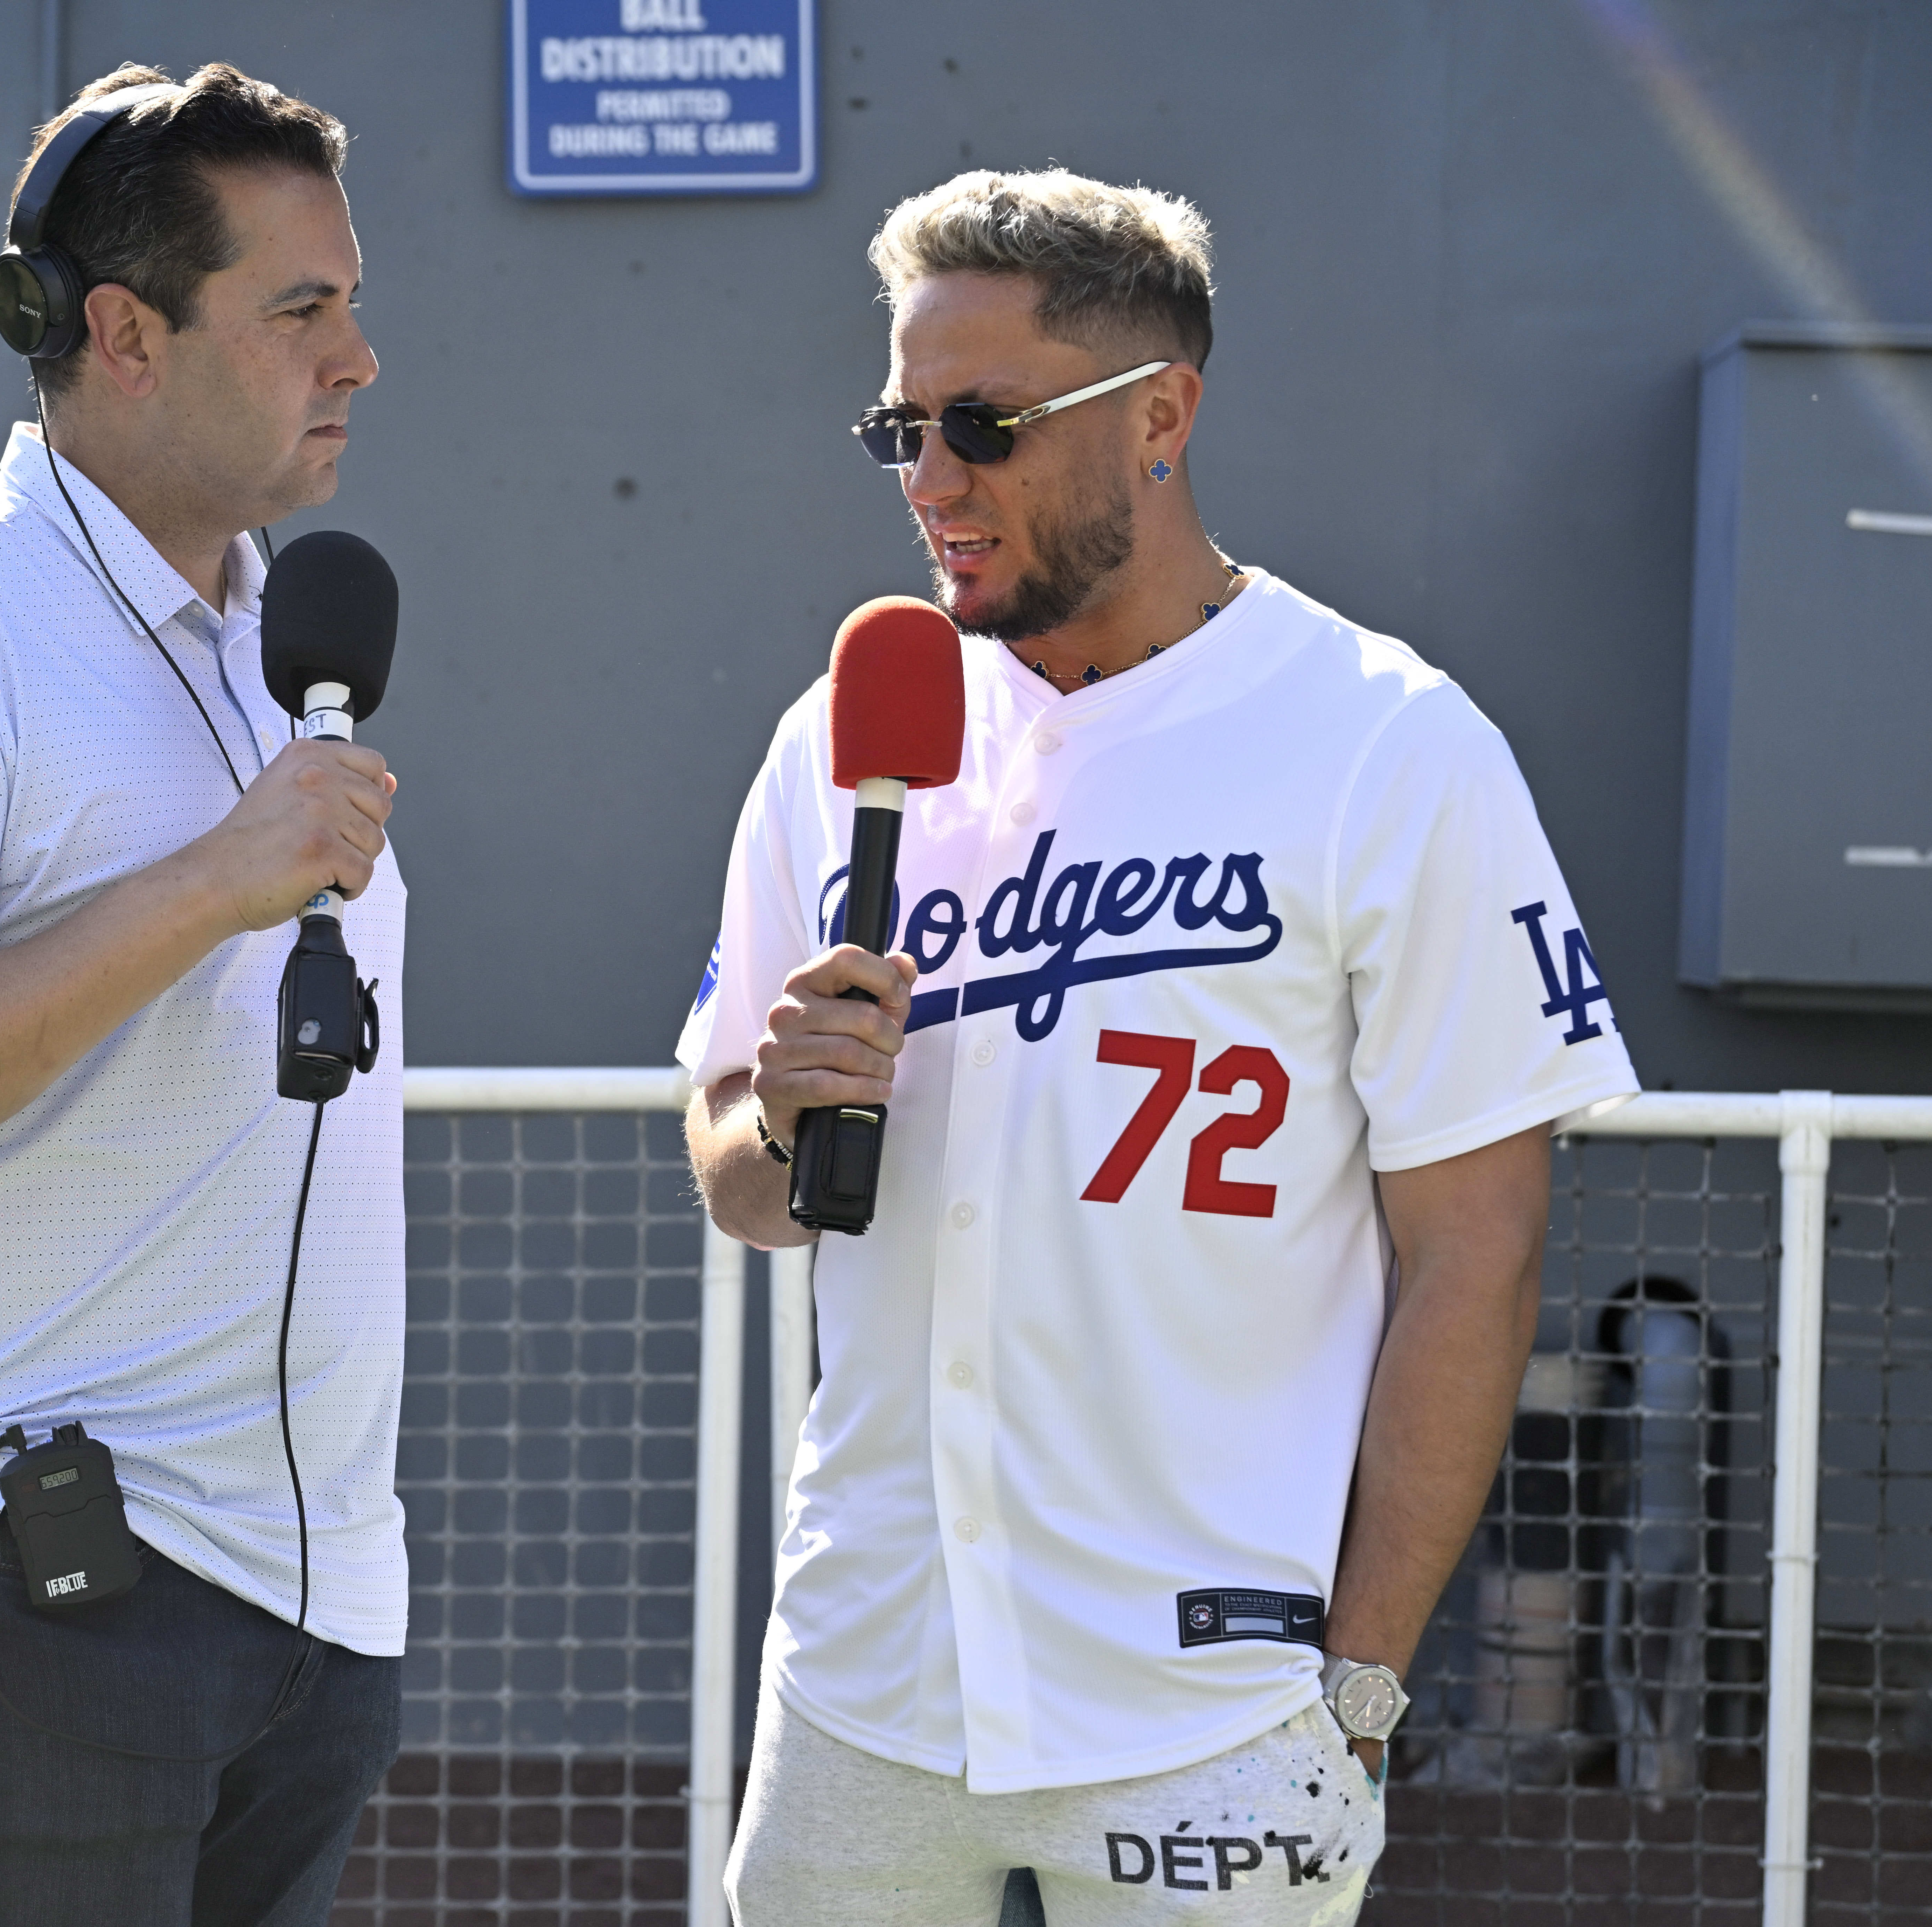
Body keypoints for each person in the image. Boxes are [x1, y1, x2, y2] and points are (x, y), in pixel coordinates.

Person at [680, 169, 1639, 1926]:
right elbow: (736, 1163)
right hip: (867, 1682)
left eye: (981, 422)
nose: (930, 481)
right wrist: (778, 1115)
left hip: (1217, 1704)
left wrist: (1355, 1690)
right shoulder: (848, 733)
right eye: (900, 424)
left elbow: (1476, 1252)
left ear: (1161, 417)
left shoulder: (1386, 744)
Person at [0, 64, 404, 1926]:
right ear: (118, 332)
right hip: (46, 1602)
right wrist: (213, 879)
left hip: (311, 1602)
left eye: (352, 303)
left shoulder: (280, 639)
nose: (356, 359)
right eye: (300, 311)